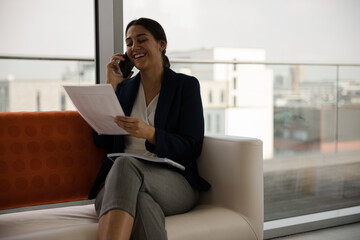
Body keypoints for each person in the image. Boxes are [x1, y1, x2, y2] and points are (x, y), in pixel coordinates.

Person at [88, 17, 210, 240]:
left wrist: (151, 134)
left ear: (161, 44)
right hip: (116, 184)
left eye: (141, 40)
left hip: (172, 181)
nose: (134, 48)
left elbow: (192, 147)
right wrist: (109, 89)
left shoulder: (185, 86)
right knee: (141, 201)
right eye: (129, 43)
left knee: (126, 163)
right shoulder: (123, 90)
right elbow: (101, 142)